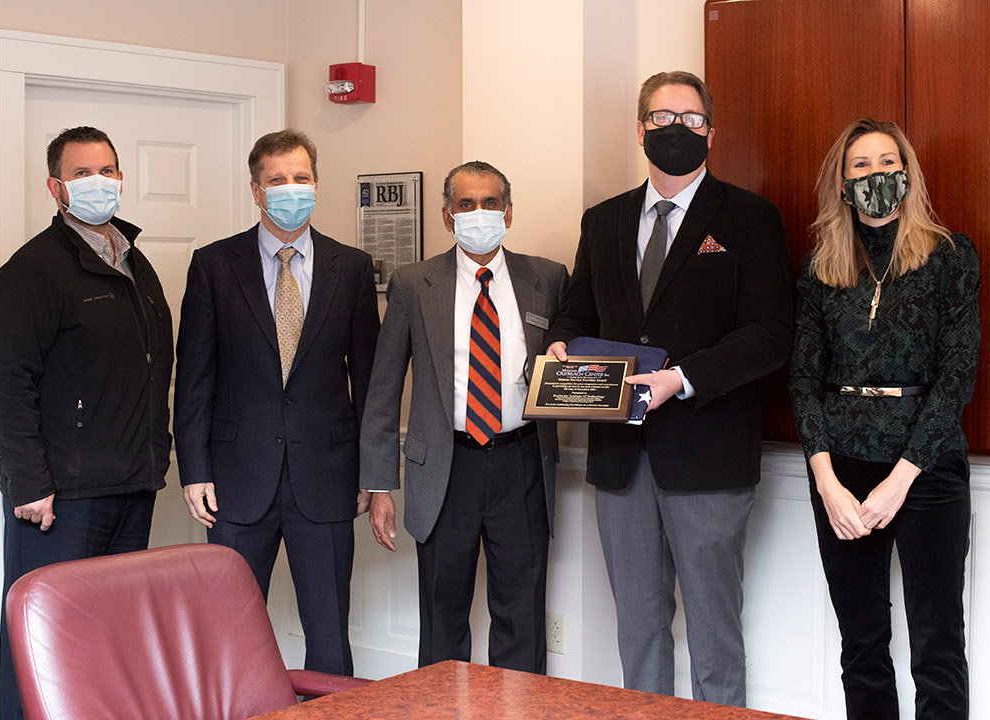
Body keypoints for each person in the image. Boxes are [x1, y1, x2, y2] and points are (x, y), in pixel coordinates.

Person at [544, 71, 793, 704]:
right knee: (639, 629)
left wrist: (680, 379)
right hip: (621, 462)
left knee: (714, 632)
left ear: (711, 130)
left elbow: (770, 334)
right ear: (639, 130)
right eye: (660, 117)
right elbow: (577, 313)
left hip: (708, 457)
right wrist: (560, 346)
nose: (674, 129)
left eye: (688, 117)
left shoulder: (750, 218)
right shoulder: (603, 221)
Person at [789, 118, 980, 720]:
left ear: (908, 172)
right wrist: (827, 484)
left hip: (927, 472)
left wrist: (900, 480)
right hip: (841, 475)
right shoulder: (821, 268)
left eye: (888, 163)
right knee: (862, 646)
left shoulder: (951, 258)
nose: (877, 175)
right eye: (862, 166)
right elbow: (802, 379)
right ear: (841, 184)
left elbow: (957, 377)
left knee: (937, 645)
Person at [0, 126, 173, 720]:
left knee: (111, 639)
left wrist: (158, 455)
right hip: (61, 499)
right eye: (83, 173)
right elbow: (6, 384)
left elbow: (151, 368)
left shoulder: (135, 265)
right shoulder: (32, 270)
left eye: (108, 170)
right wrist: (29, 483)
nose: (100, 182)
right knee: (41, 636)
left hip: (132, 488)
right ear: (55, 186)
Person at [173, 129, 379, 676]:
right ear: (256, 190)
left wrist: (372, 471)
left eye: (302, 178)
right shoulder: (214, 266)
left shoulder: (352, 269)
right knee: (230, 633)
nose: (292, 190)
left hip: (329, 475)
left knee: (330, 632)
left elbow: (370, 383)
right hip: (236, 479)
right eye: (278, 180)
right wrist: (193, 470)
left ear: (316, 183)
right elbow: (194, 378)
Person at [360, 161, 568, 673]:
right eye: (467, 205)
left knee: (522, 615)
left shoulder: (547, 277)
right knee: (442, 614)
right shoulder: (413, 283)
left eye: (491, 203)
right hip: (444, 468)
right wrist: (380, 484)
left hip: (521, 465)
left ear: (510, 212)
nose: (480, 213)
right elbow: (383, 389)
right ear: (449, 217)